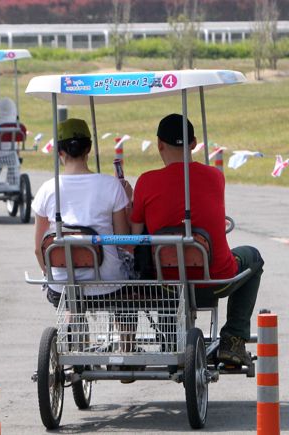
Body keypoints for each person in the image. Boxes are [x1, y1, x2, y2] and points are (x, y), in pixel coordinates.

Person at [131, 113, 263, 366]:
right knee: (253, 257)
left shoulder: (146, 182)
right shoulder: (215, 177)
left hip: (169, 285)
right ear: (193, 144)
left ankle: (171, 339)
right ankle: (233, 338)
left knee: (164, 262)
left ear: (159, 144)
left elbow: (136, 236)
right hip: (216, 281)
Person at [32, 118, 133, 305]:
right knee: (126, 304)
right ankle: (126, 334)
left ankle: (72, 326)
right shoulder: (111, 185)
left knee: (68, 299)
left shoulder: (47, 189)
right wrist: (128, 202)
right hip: (108, 283)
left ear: (59, 151)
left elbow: (39, 249)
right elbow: (123, 238)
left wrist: (49, 275)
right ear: (89, 149)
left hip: (63, 282)